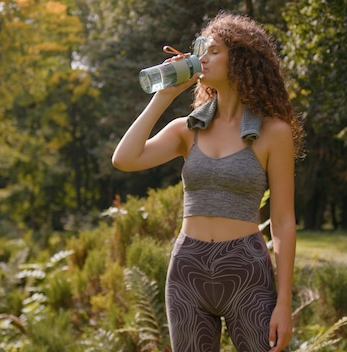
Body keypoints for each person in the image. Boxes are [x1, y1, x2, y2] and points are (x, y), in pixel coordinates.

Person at [112, 12, 304, 352]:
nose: (203, 58)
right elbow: (124, 159)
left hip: (247, 271)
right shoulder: (186, 129)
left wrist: (284, 303)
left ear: (242, 59)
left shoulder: (274, 133)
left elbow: (284, 222)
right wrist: (165, 95)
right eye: (202, 49)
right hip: (188, 270)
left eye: (214, 50)